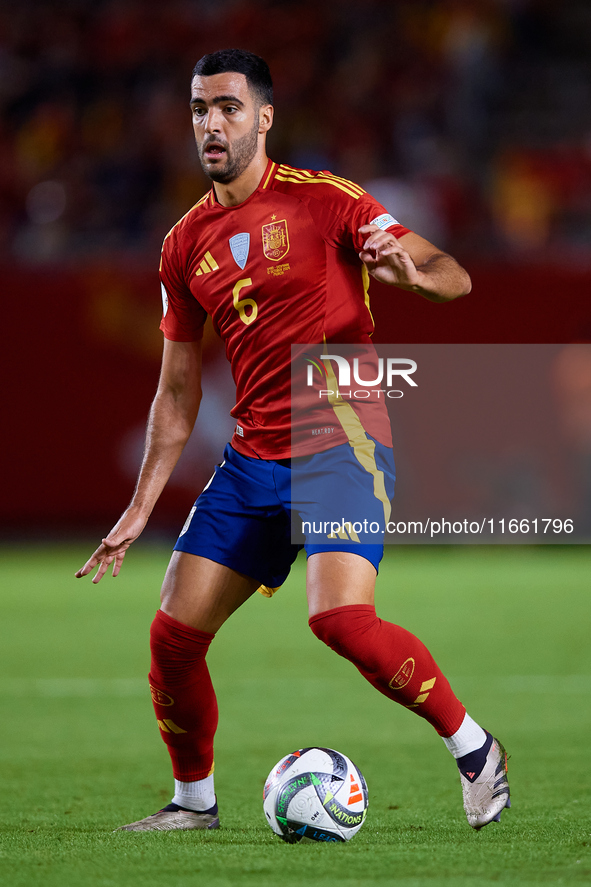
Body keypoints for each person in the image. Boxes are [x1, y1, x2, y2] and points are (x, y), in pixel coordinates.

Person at [76, 49, 510, 833]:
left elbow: (454, 276)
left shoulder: (326, 201)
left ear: (264, 118)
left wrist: (410, 274)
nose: (211, 123)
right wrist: (141, 505)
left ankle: (475, 749)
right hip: (251, 458)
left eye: (229, 108)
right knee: (172, 637)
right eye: (199, 109)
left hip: (339, 435)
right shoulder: (183, 245)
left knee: (339, 619)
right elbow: (176, 391)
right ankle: (194, 804)